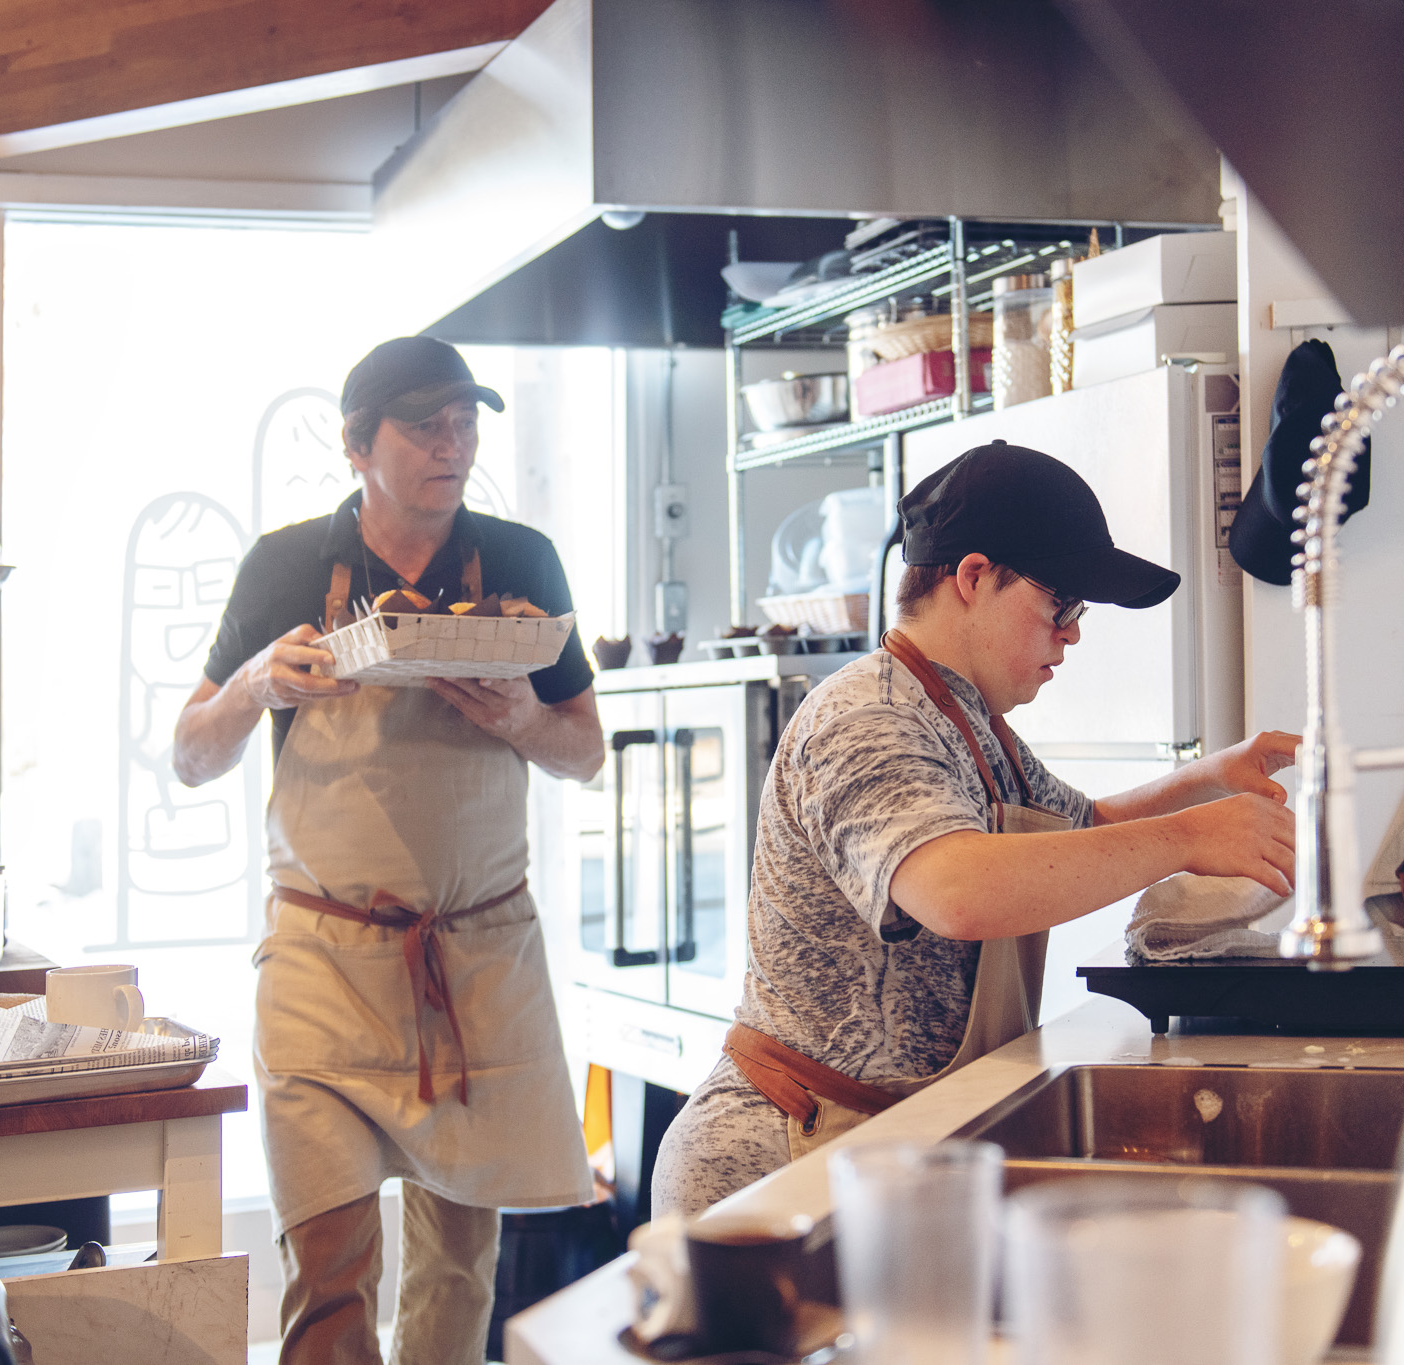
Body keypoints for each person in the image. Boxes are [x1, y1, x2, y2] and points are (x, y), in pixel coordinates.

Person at [651, 441, 1298, 1216]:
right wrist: (1190, 837)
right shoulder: (869, 716)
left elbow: (1077, 830)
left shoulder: (966, 719)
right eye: (1061, 605)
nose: (1073, 634)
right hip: (781, 1162)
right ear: (972, 578)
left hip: (885, 1143)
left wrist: (1209, 777)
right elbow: (957, 889)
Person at [173, 336, 604, 1365]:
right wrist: (253, 687)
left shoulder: (521, 562)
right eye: (426, 425)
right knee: (328, 1285)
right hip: (325, 963)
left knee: (457, 1277)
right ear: (357, 445)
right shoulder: (286, 565)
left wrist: (517, 720)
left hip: (478, 961)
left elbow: (582, 750)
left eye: (465, 422)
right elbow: (190, 755)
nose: (452, 444)